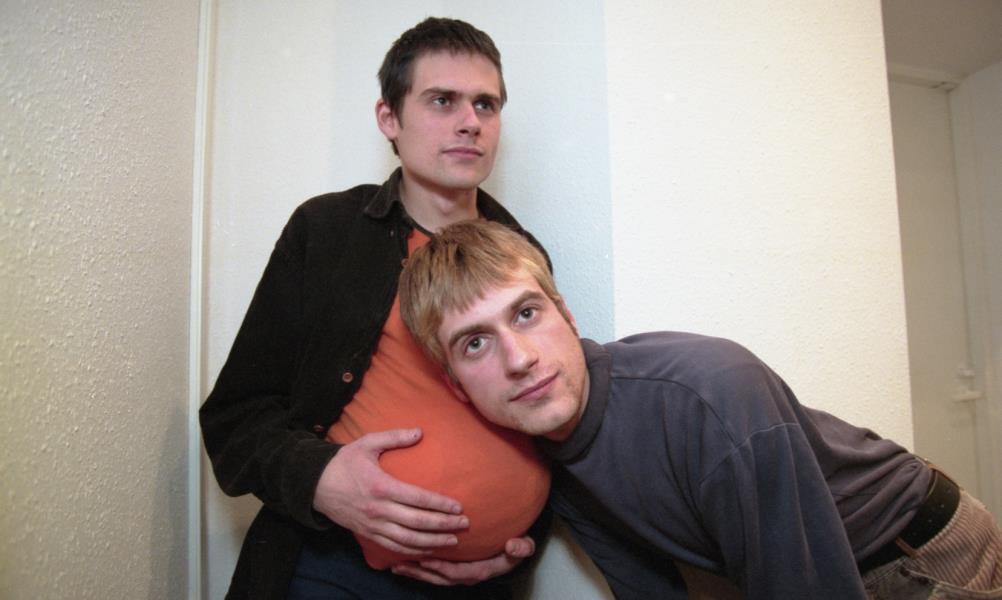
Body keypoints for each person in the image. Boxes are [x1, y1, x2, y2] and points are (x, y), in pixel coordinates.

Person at [398, 219, 1002, 600]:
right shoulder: (541, 452)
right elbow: (646, 588)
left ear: (567, 315)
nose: (520, 358)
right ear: (456, 385)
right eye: (474, 344)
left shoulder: (708, 391)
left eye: (527, 314)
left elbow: (806, 586)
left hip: (920, 551)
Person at [200, 18, 552, 600]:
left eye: (486, 105)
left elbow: (549, 418)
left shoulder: (522, 252)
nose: (470, 121)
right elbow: (235, 419)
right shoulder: (327, 232)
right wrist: (322, 479)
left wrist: (515, 547)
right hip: (337, 569)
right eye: (443, 100)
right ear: (389, 118)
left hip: (480, 586)